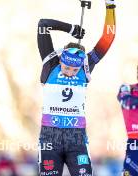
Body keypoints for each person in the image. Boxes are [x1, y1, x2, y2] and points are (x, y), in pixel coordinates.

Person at [37, 0, 116, 175]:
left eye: (75, 69)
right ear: (61, 60)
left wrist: (110, 6)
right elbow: (43, 24)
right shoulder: (50, 63)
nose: (71, 72)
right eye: (67, 68)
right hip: (50, 138)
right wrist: (70, 28)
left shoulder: (87, 64)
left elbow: (108, 38)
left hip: (76, 138)